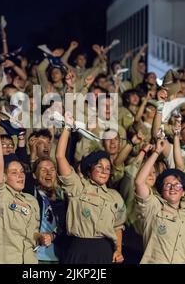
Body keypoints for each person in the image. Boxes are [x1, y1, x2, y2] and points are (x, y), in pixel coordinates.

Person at [56, 112, 126, 264]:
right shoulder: (78, 186)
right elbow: (60, 157)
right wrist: (67, 128)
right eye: (99, 166)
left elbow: (118, 226)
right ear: (89, 169)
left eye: (107, 168)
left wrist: (118, 249)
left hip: (104, 251)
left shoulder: (115, 196)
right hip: (78, 249)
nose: (104, 170)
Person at [0, 108, 47, 264]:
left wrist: (41, 237)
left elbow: (32, 233)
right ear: (3, 176)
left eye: (22, 171)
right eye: (14, 172)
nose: (20, 175)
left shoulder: (31, 201)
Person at [134, 139, 185, 264]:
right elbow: (139, 182)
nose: (173, 188)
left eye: (177, 185)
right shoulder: (153, 206)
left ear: (183, 193)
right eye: (168, 185)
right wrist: (156, 152)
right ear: (161, 190)